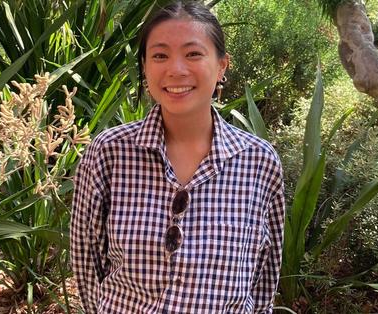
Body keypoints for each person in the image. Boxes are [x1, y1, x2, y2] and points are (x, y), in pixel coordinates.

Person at [70, 1, 285, 312]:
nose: (176, 69)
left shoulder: (258, 161)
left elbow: (265, 275)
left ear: (222, 65)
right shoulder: (109, 152)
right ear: (145, 66)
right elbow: (86, 260)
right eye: (159, 55)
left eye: (193, 53)